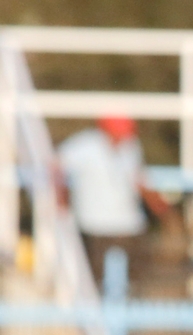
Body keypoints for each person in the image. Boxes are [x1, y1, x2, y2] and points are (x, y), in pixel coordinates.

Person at [56, 116, 177, 284]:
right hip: (95, 224)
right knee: (95, 278)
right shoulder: (83, 145)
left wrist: (163, 210)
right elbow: (56, 167)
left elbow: (139, 179)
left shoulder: (131, 147)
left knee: (136, 277)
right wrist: (61, 199)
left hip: (129, 224)